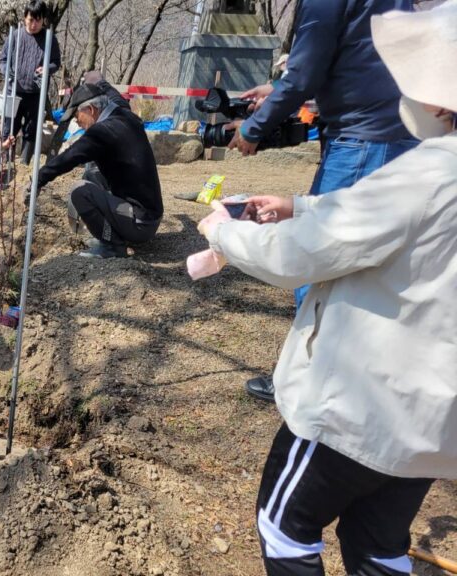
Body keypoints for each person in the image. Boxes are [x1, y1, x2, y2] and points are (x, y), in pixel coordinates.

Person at [192, 3, 457, 573]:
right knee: (379, 543)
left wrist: (225, 234)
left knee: (284, 526)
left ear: (440, 101)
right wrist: (301, 205)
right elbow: (388, 223)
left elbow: (300, 254)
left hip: (362, 408)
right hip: (435, 425)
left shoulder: (430, 173)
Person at [227, 0, 418, 403]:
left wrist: (253, 128)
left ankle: (306, 381)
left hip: (362, 143)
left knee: (319, 259)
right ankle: (348, 377)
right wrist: (279, 90)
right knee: (370, 269)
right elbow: (361, 62)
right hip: (399, 134)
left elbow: (306, 73)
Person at [31, 83, 162, 259]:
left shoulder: (103, 131)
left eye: (77, 116)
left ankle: (112, 245)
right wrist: (102, 83)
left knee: (80, 192)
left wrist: (39, 179)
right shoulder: (125, 117)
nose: (77, 122)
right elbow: (115, 97)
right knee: (92, 174)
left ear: (91, 110)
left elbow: (71, 156)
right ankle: (112, 233)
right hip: (149, 215)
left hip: (140, 222)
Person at [0, 0, 61, 165]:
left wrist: (47, 68)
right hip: (14, 91)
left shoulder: (49, 38)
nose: (34, 25)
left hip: (36, 93)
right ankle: (6, 163)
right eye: (30, 20)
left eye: (38, 21)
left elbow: (56, 62)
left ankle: (24, 163)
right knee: (9, 128)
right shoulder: (15, 36)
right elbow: (3, 60)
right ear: (24, 18)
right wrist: (7, 71)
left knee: (31, 129)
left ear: (43, 20)